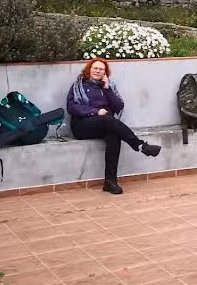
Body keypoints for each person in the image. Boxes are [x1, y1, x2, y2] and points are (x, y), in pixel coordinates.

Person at [66, 58, 161, 194]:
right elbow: (72, 107)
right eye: (95, 68)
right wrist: (95, 111)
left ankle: (110, 182)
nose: (98, 71)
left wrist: (107, 88)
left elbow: (118, 106)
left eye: (101, 69)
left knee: (114, 135)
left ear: (105, 73)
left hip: (103, 124)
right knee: (108, 120)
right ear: (89, 69)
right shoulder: (79, 85)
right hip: (82, 125)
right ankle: (140, 145)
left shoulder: (108, 86)